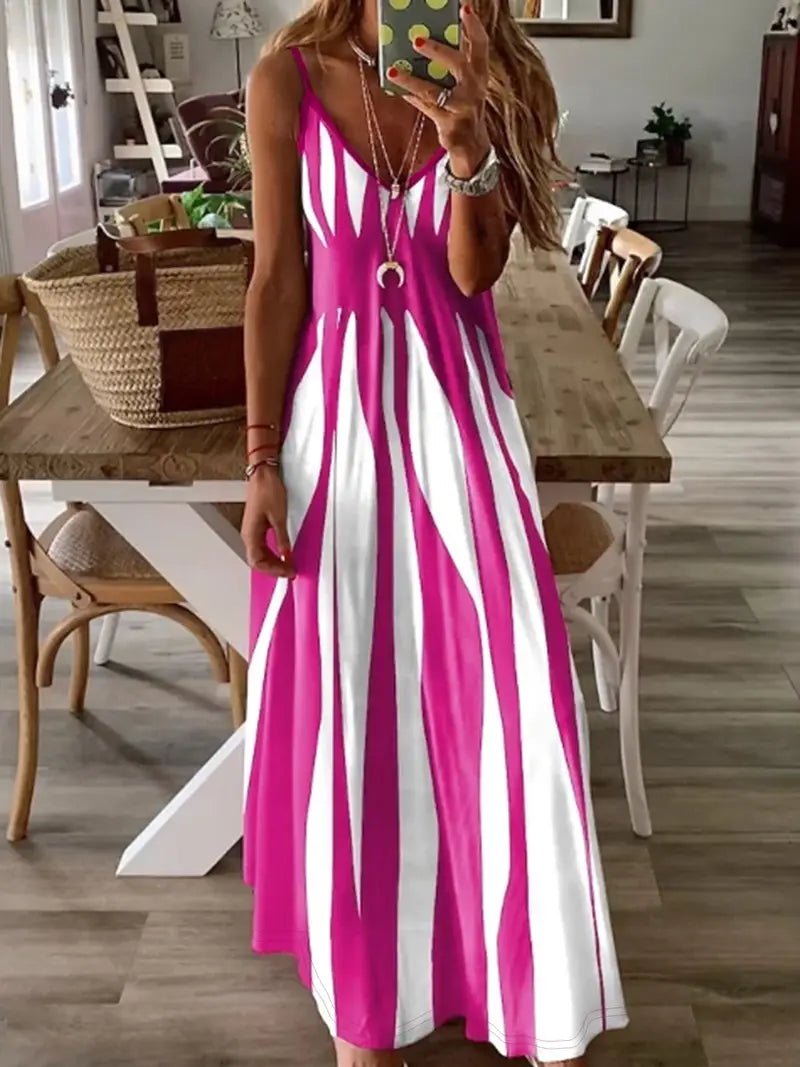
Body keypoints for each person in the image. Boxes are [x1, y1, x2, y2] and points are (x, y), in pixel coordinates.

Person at [241, 0, 628, 1064]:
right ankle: (365, 1002)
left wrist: (467, 146)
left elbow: (470, 274)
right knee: (350, 700)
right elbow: (275, 280)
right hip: (334, 431)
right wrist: (261, 458)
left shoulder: (489, 75)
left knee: (495, 696)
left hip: (461, 424)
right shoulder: (286, 79)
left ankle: (501, 966)